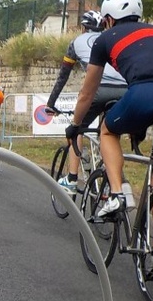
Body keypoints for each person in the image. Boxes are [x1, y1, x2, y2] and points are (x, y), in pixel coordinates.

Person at [68, 0, 153, 226]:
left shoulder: (105, 38)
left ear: (108, 19)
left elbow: (87, 93)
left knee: (107, 129)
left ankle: (117, 194)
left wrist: (75, 124)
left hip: (146, 91)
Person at [46, 10, 127, 193]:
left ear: (83, 27)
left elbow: (63, 77)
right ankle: (110, 178)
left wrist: (50, 103)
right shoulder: (111, 38)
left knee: (78, 126)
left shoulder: (76, 43)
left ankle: (73, 178)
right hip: (124, 90)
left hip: (100, 89)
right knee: (110, 133)